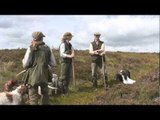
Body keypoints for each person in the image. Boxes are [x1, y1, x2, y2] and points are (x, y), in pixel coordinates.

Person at [22, 31, 56, 105]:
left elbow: (25, 64)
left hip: (32, 77)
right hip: (44, 75)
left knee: (33, 98)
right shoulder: (47, 48)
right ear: (42, 38)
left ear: (33, 39)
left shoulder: (30, 48)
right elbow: (53, 63)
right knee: (45, 95)